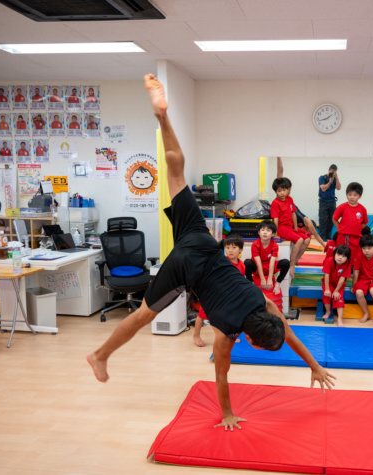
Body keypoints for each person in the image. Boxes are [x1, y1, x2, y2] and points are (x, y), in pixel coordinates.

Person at [87, 74, 335, 431]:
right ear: (249, 338)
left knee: (177, 172)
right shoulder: (225, 334)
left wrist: (313, 364)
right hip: (186, 267)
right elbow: (222, 379)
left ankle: (162, 117)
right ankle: (99, 355)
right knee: (143, 315)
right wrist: (228, 415)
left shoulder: (262, 305)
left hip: (201, 241)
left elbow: (289, 335)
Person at [193, 234, 247, 347]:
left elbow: (240, 280)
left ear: (241, 249)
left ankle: (229, 334)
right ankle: (196, 335)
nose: (230, 250)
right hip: (212, 292)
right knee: (202, 314)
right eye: (227, 248)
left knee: (229, 314)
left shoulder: (242, 265)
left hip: (228, 295)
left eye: (233, 247)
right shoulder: (221, 261)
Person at [276, 157, 326, 248]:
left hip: (288, 226)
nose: (308, 232)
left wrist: (323, 245)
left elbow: (316, 235)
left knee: (305, 238)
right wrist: (279, 158)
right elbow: (280, 172)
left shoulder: (289, 201)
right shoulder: (306, 221)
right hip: (284, 227)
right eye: (308, 230)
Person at [270, 177, 311, 273]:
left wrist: (296, 228)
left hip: (290, 227)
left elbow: (293, 214)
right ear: (275, 191)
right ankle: (291, 264)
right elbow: (275, 220)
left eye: (284, 190)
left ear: (288, 189)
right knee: (300, 240)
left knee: (307, 239)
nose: (282, 193)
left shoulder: (289, 199)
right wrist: (275, 233)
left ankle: (296, 258)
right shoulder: (275, 203)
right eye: (279, 191)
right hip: (281, 229)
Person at [244, 220, 290, 294]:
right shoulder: (255, 245)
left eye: (268, 230)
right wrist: (262, 279)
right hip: (257, 268)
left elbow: (272, 262)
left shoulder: (274, 245)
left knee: (286, 262)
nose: (265, 232)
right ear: (259, 232)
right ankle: (251, 284)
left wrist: (269, 279)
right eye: (262, 230)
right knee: (247, 262)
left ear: (273, 234)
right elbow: (258, 262)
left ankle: (278, 284)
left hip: (270, 267)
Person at [333, 182, 367, 265]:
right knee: (341, 256)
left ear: (360, 196)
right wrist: (341, 228)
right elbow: (334, 219)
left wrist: (356, 229)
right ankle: (340, 273)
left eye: (355, 195)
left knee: (354, 257)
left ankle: (352, 272)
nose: (352, 197)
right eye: (350, 194)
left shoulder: (362, 209)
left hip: (356, 237)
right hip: (342, 236)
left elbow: (364, 223)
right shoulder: (342, 207)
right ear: (346, 195)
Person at [321, 245, 351, 327]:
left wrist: (336, 291)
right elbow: (326, 276)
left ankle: (339, 319)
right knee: (327, 295)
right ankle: (328, 311)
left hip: (339, 285)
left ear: (347, 258)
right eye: (338, 254)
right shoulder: (329, 261)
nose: (340, 258)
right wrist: (327, 289)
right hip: (328, 283)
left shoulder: (347, 264)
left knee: (339, 297)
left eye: (344, 256)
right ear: (334, 254)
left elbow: (342, 279)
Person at [318, 164, 340, 240]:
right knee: (323, 219)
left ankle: (328, 236)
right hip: (323, 202)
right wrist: (330, 182)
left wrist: (336, 178)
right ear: (328, 170)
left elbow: (338, 188)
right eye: (331, 171)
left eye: (334, 172)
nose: (332, 173)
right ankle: (322, 236)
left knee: (332, 219)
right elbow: (323, 189)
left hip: (332, 202)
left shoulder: (334, 178)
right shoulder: (322, 177)